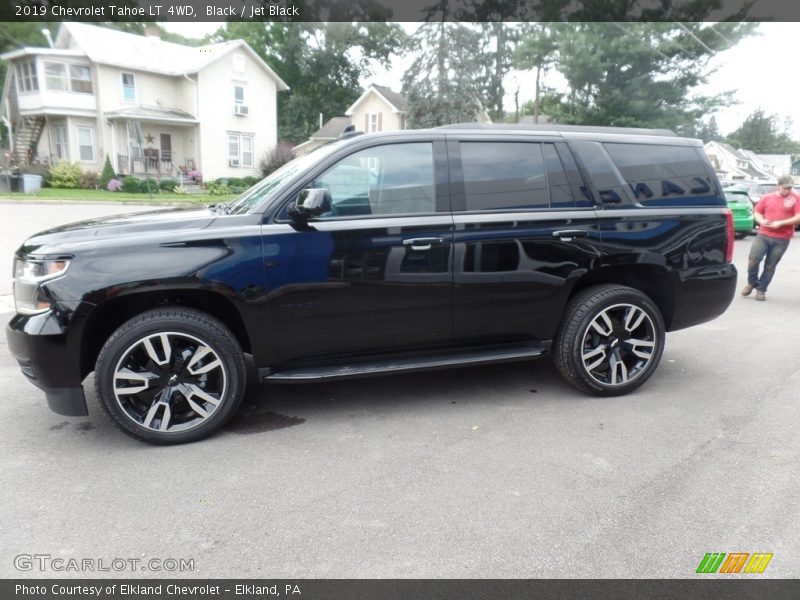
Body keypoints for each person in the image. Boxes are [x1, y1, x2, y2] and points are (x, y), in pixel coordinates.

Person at [741, 175, 800, 300]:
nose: (787, 191)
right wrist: (761, 221)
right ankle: (752, 282)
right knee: (753, 260)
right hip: (763, 235)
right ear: (778, 186)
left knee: (770, 265)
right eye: (785, 188)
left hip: (782, 238)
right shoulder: (767, 198)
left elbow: (798, 217)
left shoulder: (796, 198)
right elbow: (757, 212)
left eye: (790, 188)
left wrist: (781, 223)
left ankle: (761, 290)